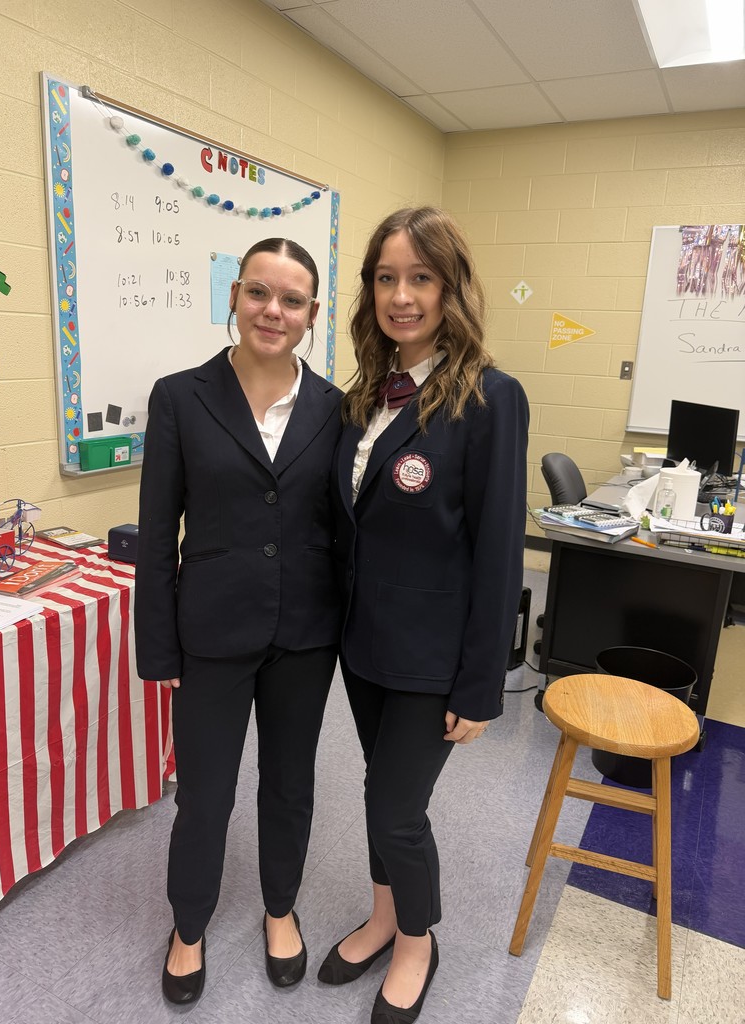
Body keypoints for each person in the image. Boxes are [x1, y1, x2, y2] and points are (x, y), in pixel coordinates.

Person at [319, 207, 529, 1023]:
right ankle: (382, 916)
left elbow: (498, 549)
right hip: (364, 645)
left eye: (420, 278)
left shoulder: (490, 398)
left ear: (451, 289)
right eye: (385, 278)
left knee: (396, 812)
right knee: (380, 790)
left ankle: (418, 942)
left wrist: (481, 684)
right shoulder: (369, 393)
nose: (400, 295)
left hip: (433, 653)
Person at [135, 237, 342, 1004]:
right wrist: (158, 646)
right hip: (211, 633)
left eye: (291, 300)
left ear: (311, 314)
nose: (273, 311)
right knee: (206, 792)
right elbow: (159, 533)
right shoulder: (180, 397)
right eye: (259, 293)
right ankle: (188, 925)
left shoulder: (334, 407)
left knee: (290, 785)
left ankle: (279, 909)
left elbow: (341, 528)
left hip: (305, 635)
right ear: (234, 296)